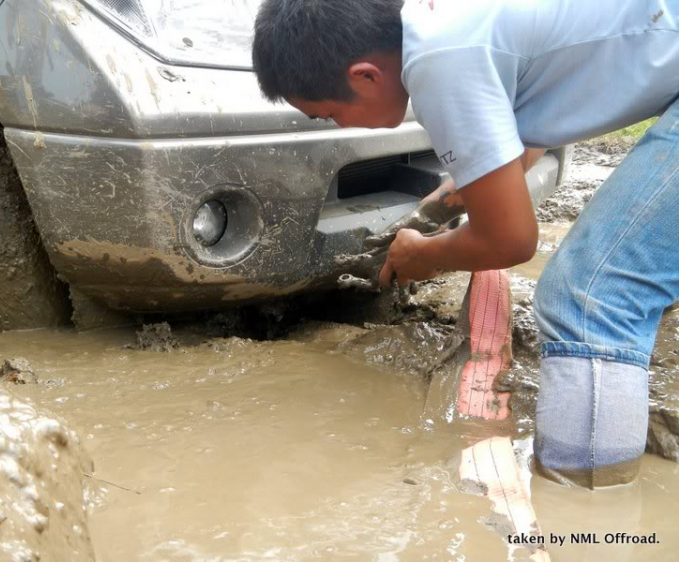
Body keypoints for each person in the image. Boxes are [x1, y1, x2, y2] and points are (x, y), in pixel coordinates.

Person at [252, 0, 679, 488]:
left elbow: (512, 240)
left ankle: (589, 511)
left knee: (592, 296)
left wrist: (424, 255)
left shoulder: (436, 62)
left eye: (329, 114)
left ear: (366, 76)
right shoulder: (446, 24)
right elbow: (525, 141)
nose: (338, 127)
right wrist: (440, 208)